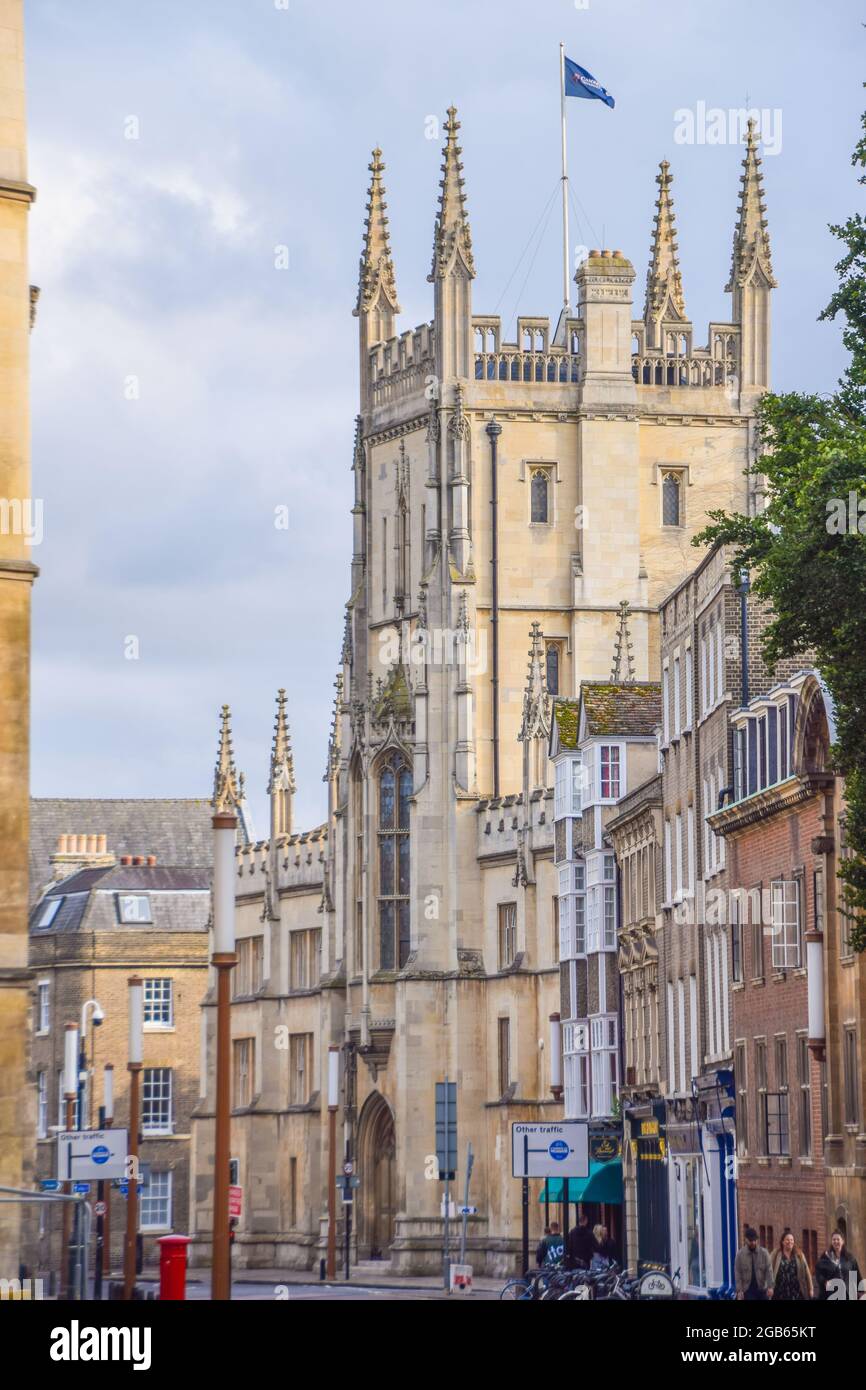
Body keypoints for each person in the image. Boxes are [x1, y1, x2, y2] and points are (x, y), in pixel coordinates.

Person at [815, 1230, 863, 1300]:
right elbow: (818, 1273)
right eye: (834, 1240)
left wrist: (861, 1292)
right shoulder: (825, 1257)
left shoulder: (850, 1259)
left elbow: (856, 1275)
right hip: (831, 1294)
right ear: (831, 1242)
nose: (836, 1241)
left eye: (838, 1239)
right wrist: (824, 1281)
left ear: (842, 1241)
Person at [735, 1227, 774, 1300]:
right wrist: (739, 1290)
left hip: (762, 1288)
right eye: (750, 1240)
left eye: (755, 1240)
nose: (753, 1242)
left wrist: (770, 1287)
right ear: (746, 1239)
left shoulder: (764, 1253)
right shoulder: (740, 1255)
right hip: (748, 1289)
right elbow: (738, 1273)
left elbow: (769, 1270)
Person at [770, 1231, 812, 1301]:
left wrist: (811, 1289)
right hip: (779, 1293)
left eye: (792, 1240)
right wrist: (769, 1287)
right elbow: (768, 1270)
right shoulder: (776, 1254)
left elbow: (807, 1273)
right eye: (787, 1240)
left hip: (796, 1292)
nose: (790, 1242)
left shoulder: (799, 1255)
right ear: (782, 1242)